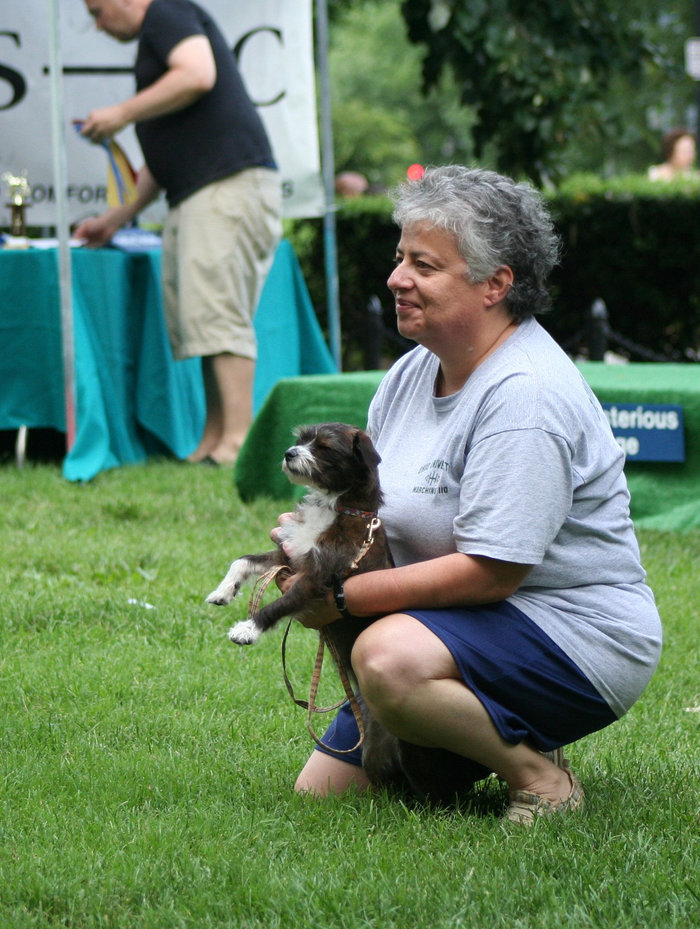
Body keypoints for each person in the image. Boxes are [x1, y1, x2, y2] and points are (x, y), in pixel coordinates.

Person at [281, 165, 662, 824]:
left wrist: (341, 598)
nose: (397, 278)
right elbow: (372, 516)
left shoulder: (526, 394)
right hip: (462, 626)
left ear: (496, 284)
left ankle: (538, 775)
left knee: (387, 661)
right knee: (322, 793)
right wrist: (314, 553)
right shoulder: (410, 373)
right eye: (399, 257)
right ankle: (462, 728)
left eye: (423, 265)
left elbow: (493, 572)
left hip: (576, 636)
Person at [74, 0, 282, 467]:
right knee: (203, 318)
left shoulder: (166, 11)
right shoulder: (157, 37)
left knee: (219, 312)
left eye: (98, 10)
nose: (97, 24)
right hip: (198, 191)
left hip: (227, 185)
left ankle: (236, 442)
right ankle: (212, 439)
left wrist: (122, 113)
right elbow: (165, 158)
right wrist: (116, 217)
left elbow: (197, 73)